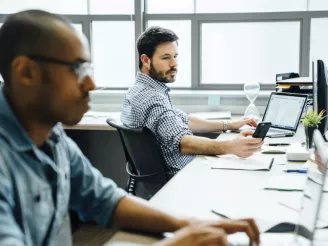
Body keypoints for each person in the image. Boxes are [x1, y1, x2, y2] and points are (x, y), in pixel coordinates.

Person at [0, 10, 261, 246]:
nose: (92, 84)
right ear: (26, 73)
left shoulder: (51, 136)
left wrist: (189, 224)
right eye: (77, 69)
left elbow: (105, 200)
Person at [121, 27, 263, 174]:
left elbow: (185, 120)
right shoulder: (152, 98)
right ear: (145, 60)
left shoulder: (138, 90)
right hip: (179, 177)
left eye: (175, 56)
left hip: (166, 177)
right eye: (165, 58)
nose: (174, 64)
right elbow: (182, 142)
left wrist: (229, 124)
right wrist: (232, 146)